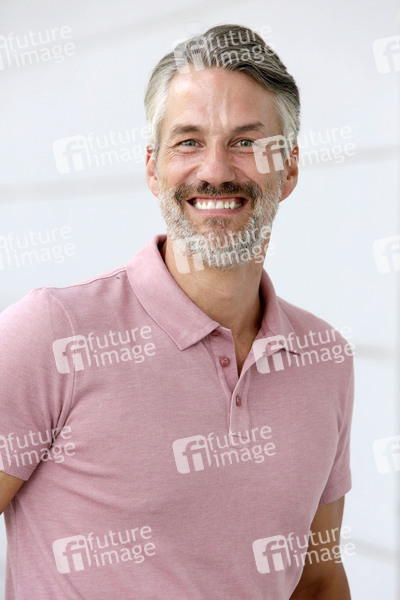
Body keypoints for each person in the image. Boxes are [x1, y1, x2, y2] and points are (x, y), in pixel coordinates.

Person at [0, 24, 354, 600]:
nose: (215, 170)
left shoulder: (325, 357)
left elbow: (316, 581)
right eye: (189, 141)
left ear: (289, 167)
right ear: (152, 167)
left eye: (246, 142)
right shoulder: (51, 333)